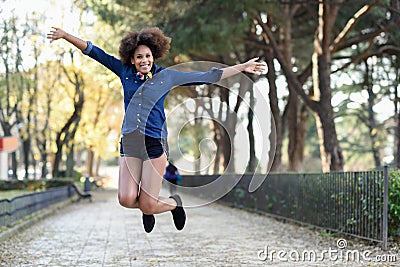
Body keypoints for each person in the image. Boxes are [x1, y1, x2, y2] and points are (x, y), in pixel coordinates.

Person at [47, 26, 266, 233]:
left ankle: (173, 205)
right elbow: (93, 51)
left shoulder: (167, 76)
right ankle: (148, 206)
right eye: (139, 57)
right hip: (130, 143)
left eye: (148, 56)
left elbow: (209, 76)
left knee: (148, 204)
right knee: (125, 199)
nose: (144, 60)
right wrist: (66, 35)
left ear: (154, 57)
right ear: (132, 59)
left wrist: (242, 67)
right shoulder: (124, 72)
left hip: (154, 143)